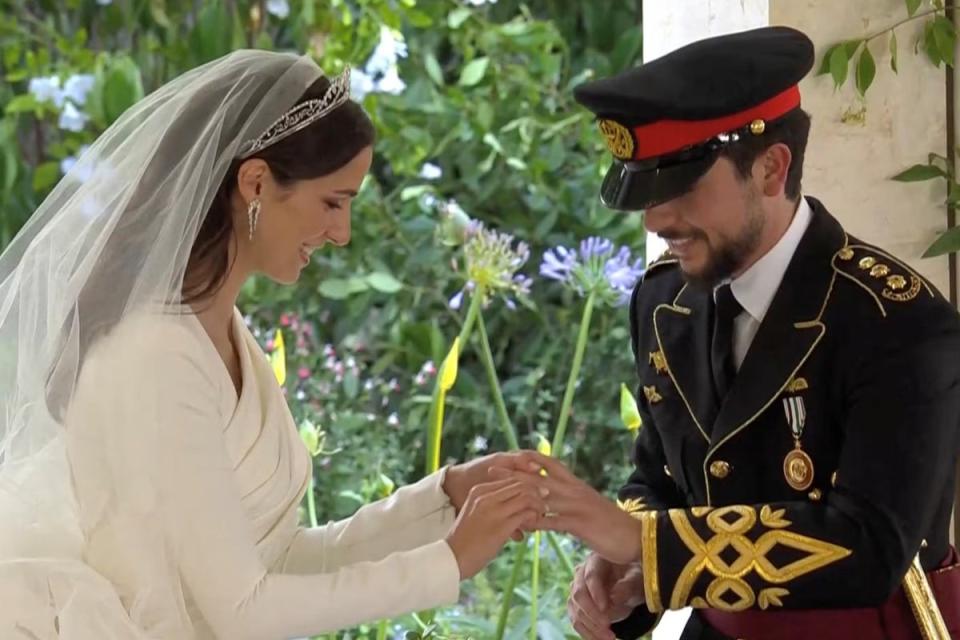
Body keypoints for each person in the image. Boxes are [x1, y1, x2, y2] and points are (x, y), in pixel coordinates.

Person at [0, 50, 550, 639]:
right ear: (255, 181)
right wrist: (450, 561)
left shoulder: (219, 331)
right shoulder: (155, 356)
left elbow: (278, 559)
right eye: (333, 202)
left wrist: (442, 500)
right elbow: (246, 611)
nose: (341, 234)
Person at [510, 25, 960, 640]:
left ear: (772, 169)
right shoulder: (662, 300)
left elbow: (871, 545)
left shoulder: (898, 322)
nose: (656, 218)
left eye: (681, 187)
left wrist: (645, 544)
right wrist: (624, 568)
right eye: (645, 190)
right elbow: (661, 478)